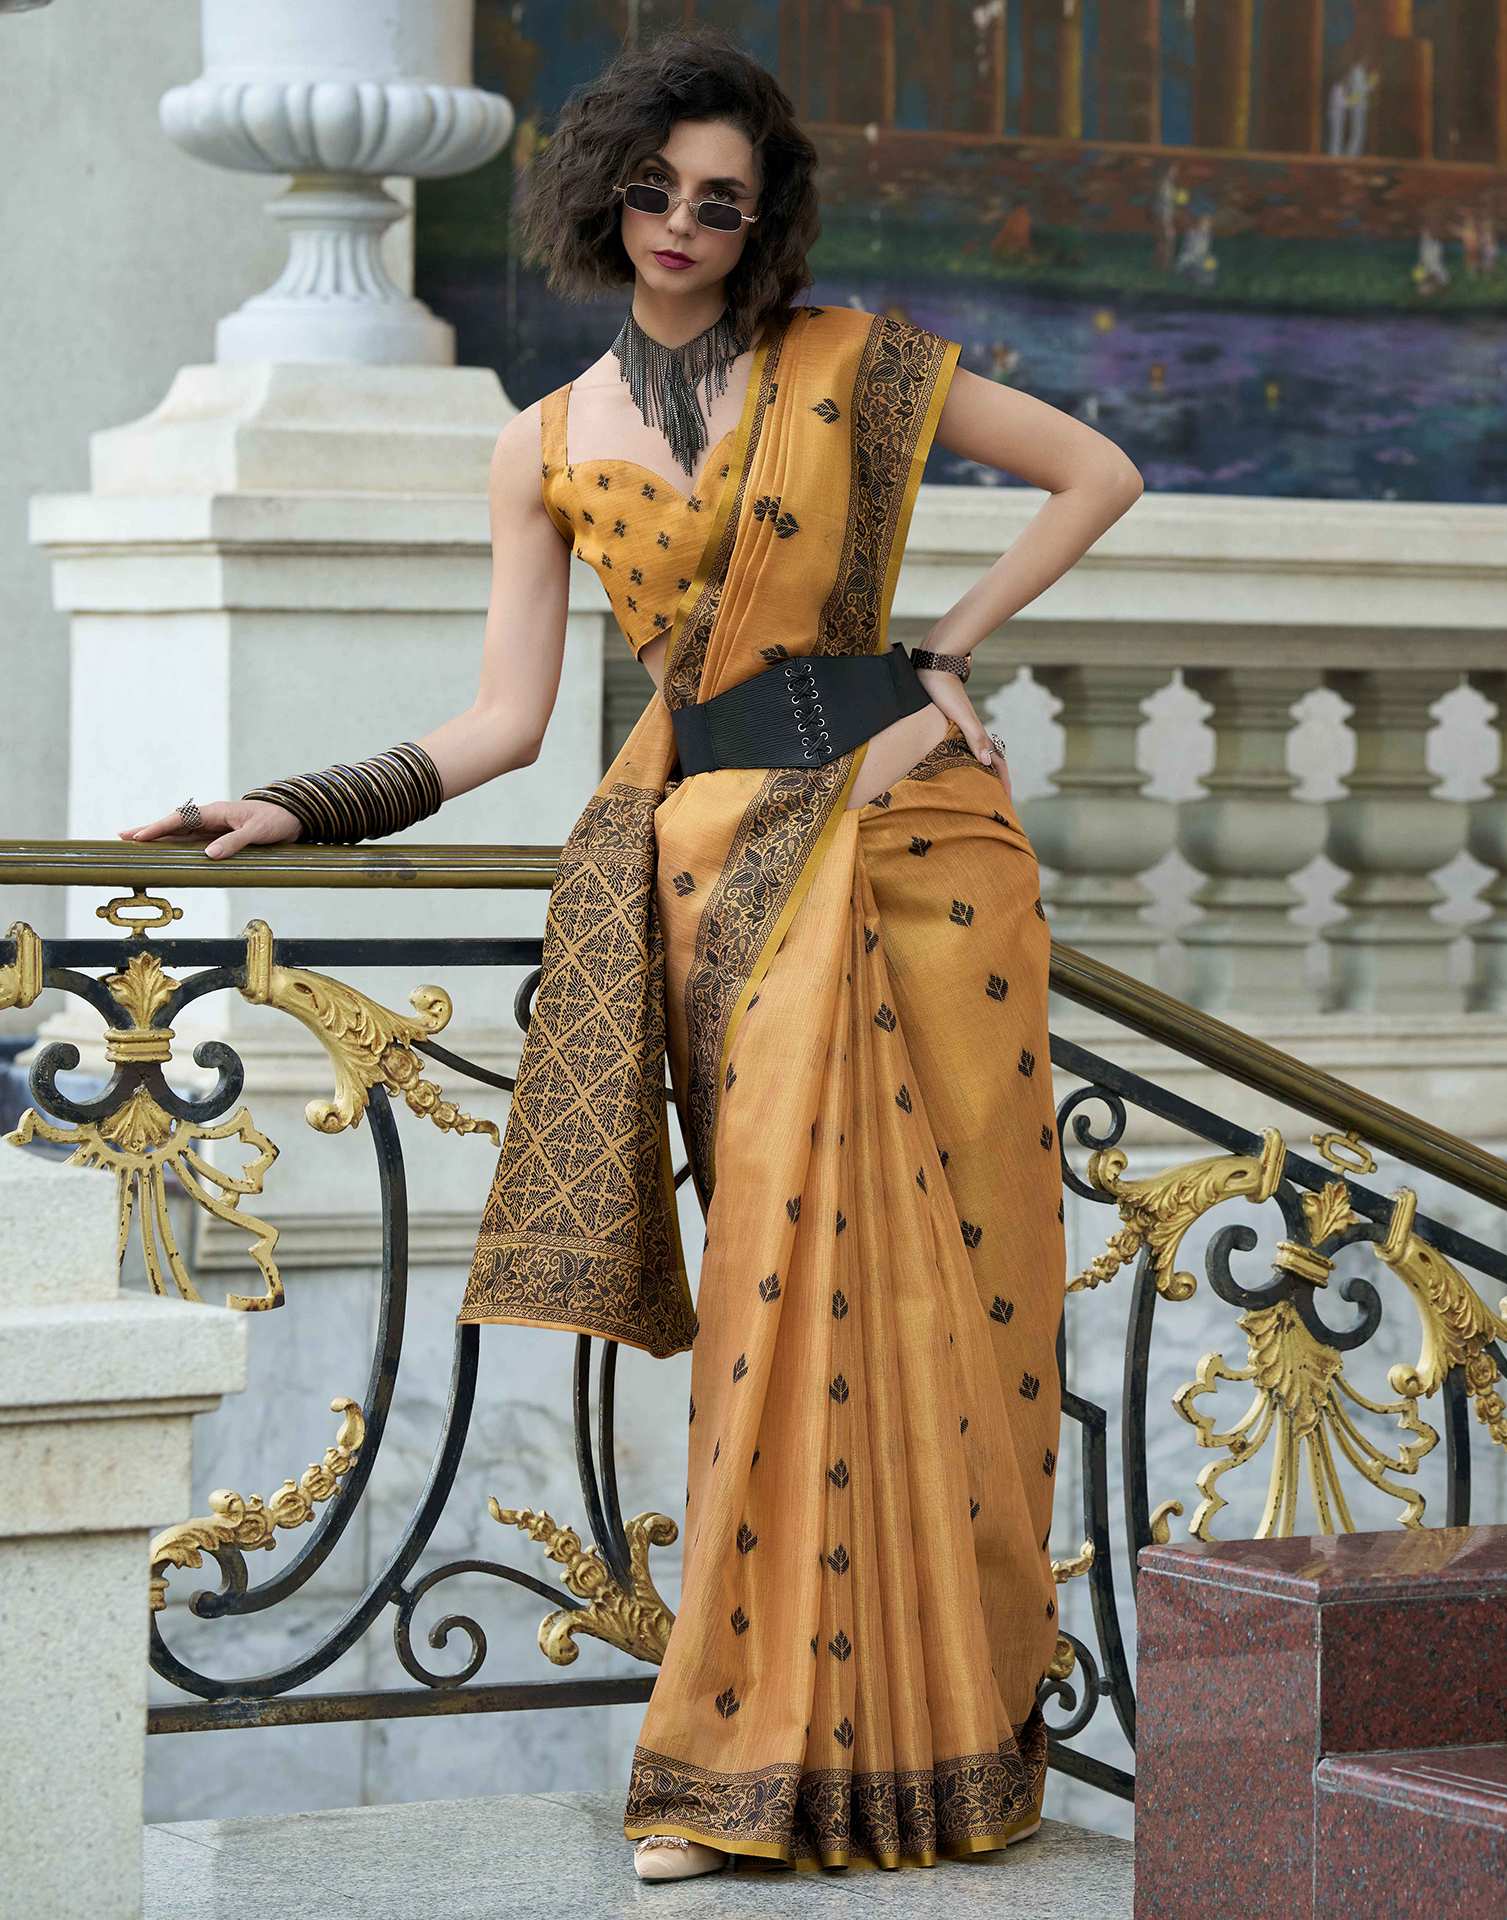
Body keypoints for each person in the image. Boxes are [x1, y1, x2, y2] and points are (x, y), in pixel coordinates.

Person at [119, 26, 1142, 1883]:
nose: (682, 224)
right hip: (715, 881)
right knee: (773, 1309)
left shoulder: (857, 365)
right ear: (608, 198)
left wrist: (941, 653)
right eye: (655, 191)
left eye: (722, 202)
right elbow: (506, 720)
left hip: (919, 852)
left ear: (765, 223)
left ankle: (940, 1756)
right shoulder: (542, 444)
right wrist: (296, 802)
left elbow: (1096, 472)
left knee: (953, 1308)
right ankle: (731, 1766)